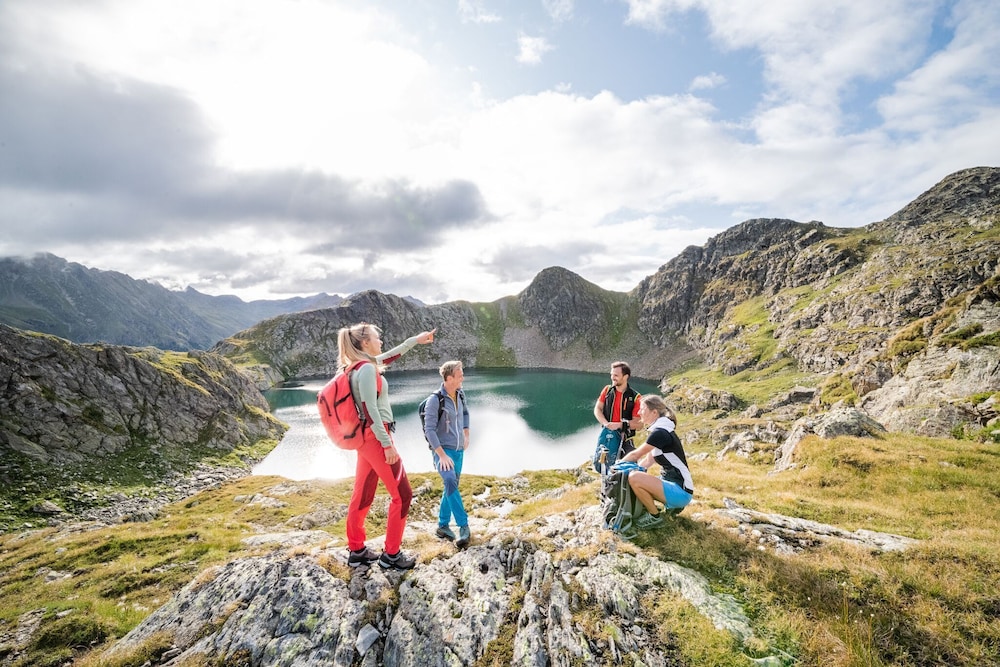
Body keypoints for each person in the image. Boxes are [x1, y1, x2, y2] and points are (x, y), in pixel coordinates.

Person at [339, 322, 436, 570]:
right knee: (402, 495)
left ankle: (357, 550)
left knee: (363, 493)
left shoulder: (359, 366)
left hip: (365, 439)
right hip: (376, 437)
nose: (380, 341)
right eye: (376, 338)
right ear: (365, 343)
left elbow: (391, 355)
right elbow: (370, 409)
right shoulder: (366, 370)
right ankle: (391, 555)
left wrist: (416, 340)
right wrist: (387, 444)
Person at [617, 395, 693, 530]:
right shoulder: (662, 430)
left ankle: (654, 517)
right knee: (635, 477)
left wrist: (615, 468)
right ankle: (666, 507)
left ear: (654, 412)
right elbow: (647, 461)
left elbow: (636, 454)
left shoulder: (660, 433)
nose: (639, 412)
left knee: (634, 478)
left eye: (642, 409)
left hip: (681, 492)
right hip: (676, 486)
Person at [423, 360, 472, 548]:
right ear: (449, 378)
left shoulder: (460, 394)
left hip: (459, 450)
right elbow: (429, 430)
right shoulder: (435, 400)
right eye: (460, 375)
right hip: (443, 451)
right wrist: (441, 455)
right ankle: (463, 525)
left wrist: (466, 434)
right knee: (450, 480)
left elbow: (465, 414)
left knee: (451, 485)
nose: (462, 378)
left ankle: (442, 526)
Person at [593, 361, 642, 463]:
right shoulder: (607, 390)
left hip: (625, 440)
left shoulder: (635, 397)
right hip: (607, 437)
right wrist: (605, 424)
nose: (612, 377)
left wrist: (619, 425)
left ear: (625, 377)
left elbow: (639, 424)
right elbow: (597, 409)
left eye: (616, 375)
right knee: (602, 465)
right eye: (611, 374)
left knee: (627, 468)